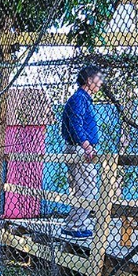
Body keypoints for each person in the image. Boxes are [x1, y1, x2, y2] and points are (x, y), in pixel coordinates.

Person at [60, 65, 104, 239]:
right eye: (98, 78)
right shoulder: (79, 99)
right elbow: (75, 125)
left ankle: (74, 224)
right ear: (88, 80)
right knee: (88, 190)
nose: (100, 83)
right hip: (80, 149)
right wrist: (86, 146)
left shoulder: (83, 99)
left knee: (82, 190)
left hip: (79, 148)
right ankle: (73, 225)